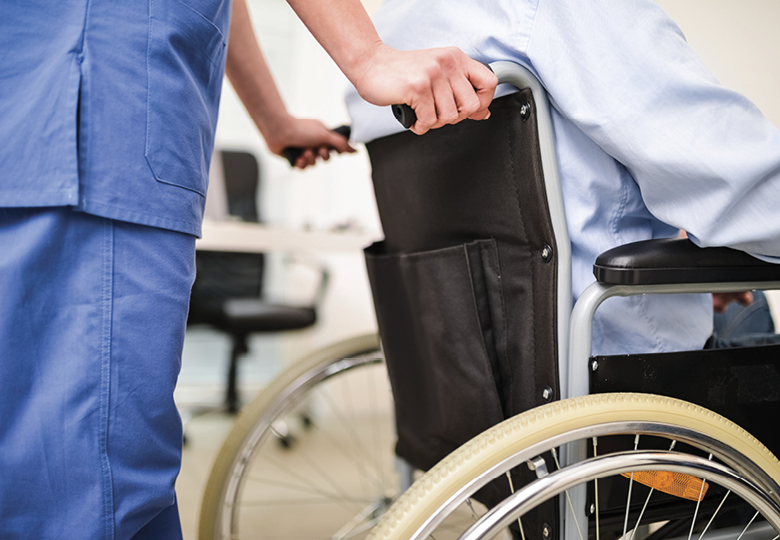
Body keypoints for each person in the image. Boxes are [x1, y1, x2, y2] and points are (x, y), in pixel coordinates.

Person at [0, 0, 496, 538]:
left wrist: (274, 119)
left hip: (35, 113)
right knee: (87, 489)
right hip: (96, 120)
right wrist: (370, 57)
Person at [346, 0, 780, 357]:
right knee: (752, 299)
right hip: (620, 370)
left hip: (480, 386)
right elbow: (740, 185)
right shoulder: (553, 9)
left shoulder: (386, 32)